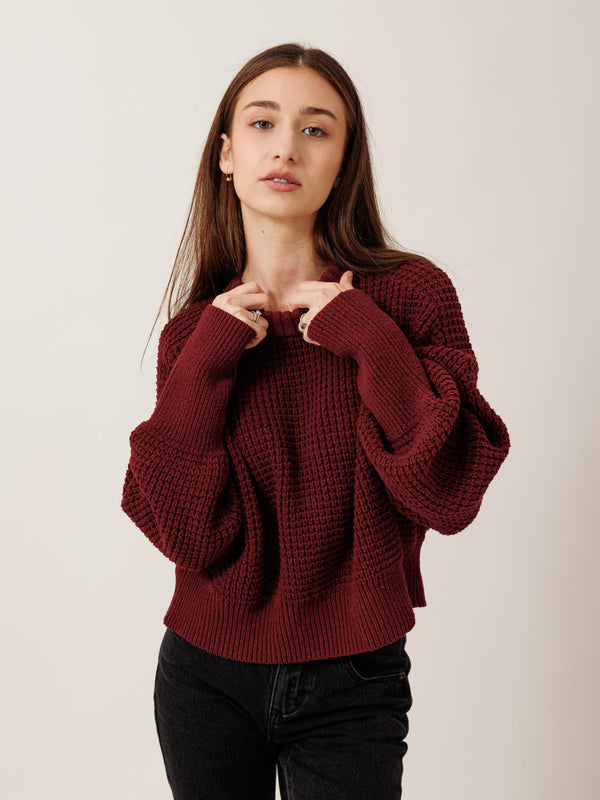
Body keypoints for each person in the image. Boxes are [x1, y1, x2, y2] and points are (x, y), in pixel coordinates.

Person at [121, 42, 510, 800]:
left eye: (316, 129)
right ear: (226, 155)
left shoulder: (411, 298)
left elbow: (451, 490)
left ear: (344, 158)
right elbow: (186, 533)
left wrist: (367, 337)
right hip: (205, 674)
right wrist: (208, 362)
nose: (286, 147)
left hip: (354, 674)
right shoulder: (196, 335)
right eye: (263, 123)